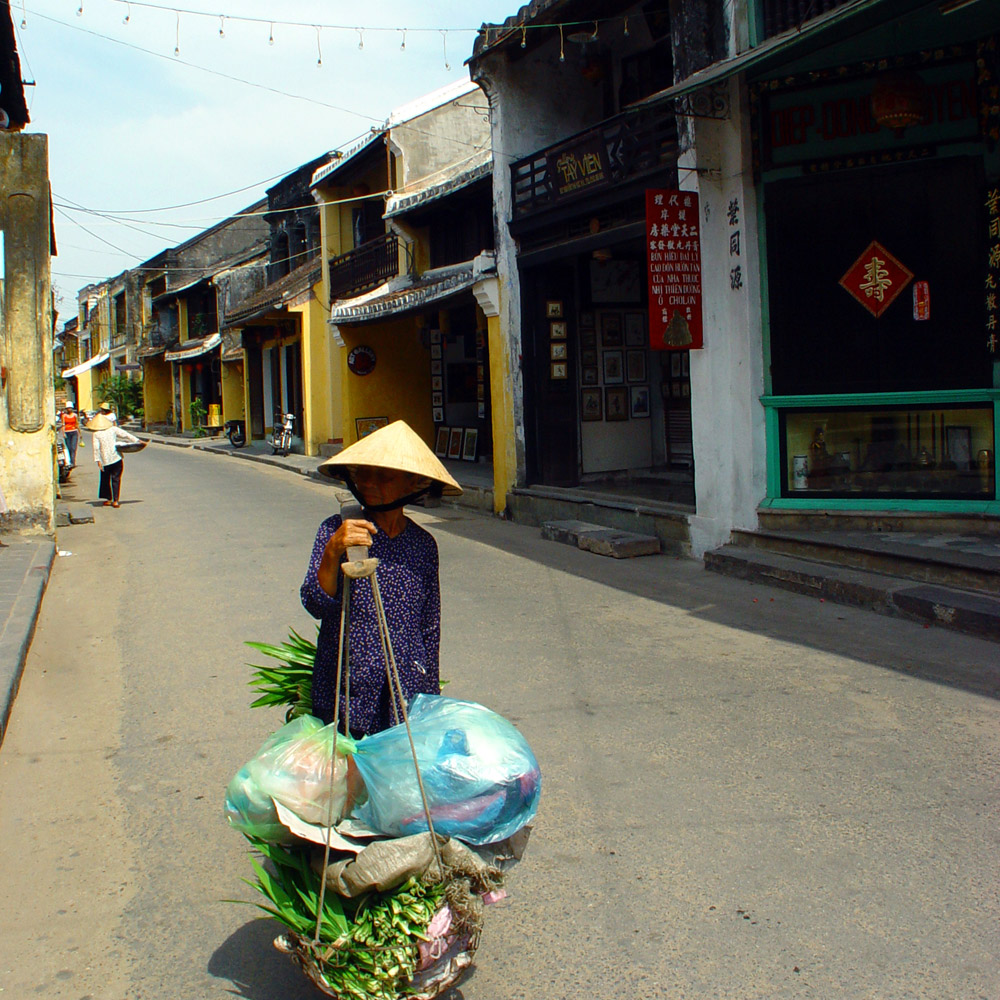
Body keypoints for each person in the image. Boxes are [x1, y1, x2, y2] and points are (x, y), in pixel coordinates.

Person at [302, 420, 462, 737]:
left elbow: (429, 628)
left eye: (384, 476)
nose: (371, 483)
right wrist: (334, 550)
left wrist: (429, 700)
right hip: (347, 690)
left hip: (403, 693)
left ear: (412, 483)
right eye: (364, 474)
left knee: (396, 782)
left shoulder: (423, 545)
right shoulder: (337, 529)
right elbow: (315, 602)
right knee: (351, 783)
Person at [86, 412, 141, 508]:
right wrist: (137, 441)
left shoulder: (96, 434)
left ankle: (109, 499)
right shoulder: (113, 429)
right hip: (117, 458)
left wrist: (97, 460)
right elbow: (125, 435)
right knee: (116, 479)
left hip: (105, 461)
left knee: (105, 480)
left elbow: (96, 448)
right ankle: (116, 500)